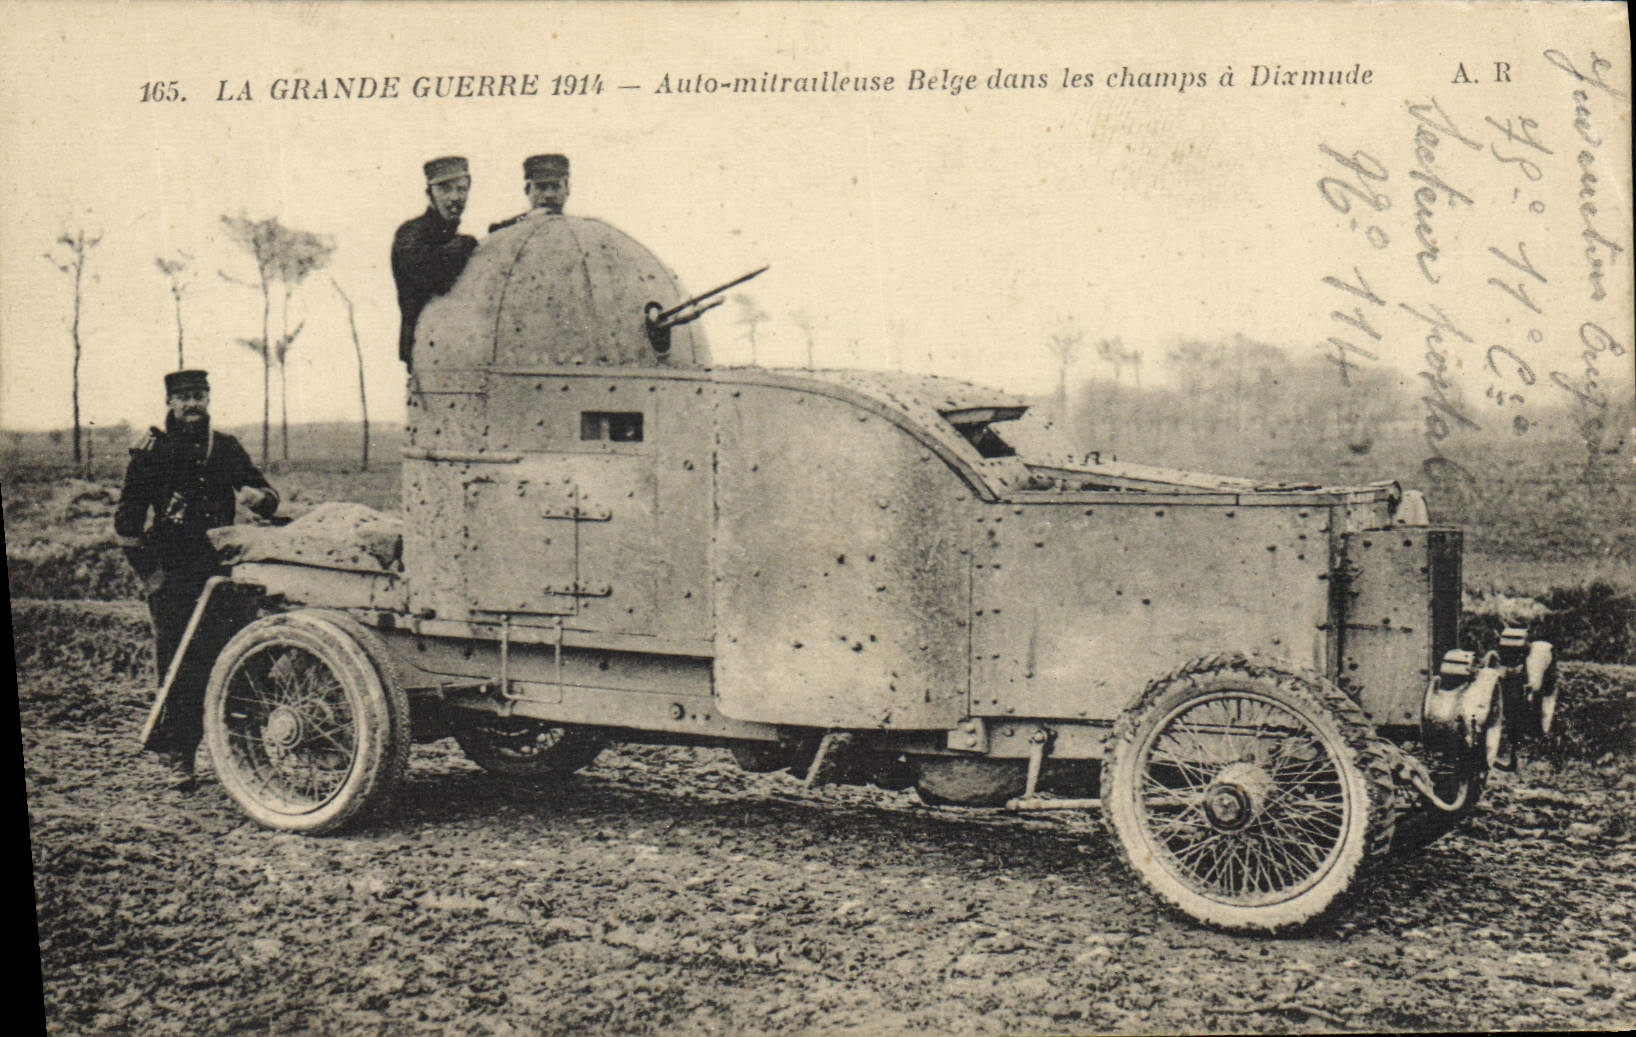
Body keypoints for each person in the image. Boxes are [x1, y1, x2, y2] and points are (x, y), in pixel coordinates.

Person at [114, 369, 279, 790]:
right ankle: (180, 757)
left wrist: (261, 500)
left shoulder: (224, 447)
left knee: (239, 661)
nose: (192, 404)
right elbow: (127, 524)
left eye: (199, 395)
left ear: (208, 399)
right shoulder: (151, 453)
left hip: (223, 575)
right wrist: (151, 576)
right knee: (180, 667)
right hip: (174, 578)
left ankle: (244, 755)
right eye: (183, 397)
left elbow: (265, 495)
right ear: (169, 402)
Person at [391, 155, 478, 369]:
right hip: (424, 353)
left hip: (453, 351)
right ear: (429, 194)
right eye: (445, 190)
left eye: (461, 189)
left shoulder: (452, 237)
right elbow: (434, 274)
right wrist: (466, 243)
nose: (455, 198)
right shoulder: (410, 234)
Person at [488, 153, 570, 232]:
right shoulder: (504, 230)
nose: (549, 195)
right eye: (541, 187)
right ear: (527, 189)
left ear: (567, 189)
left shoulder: (580, 230)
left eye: (556, 187)